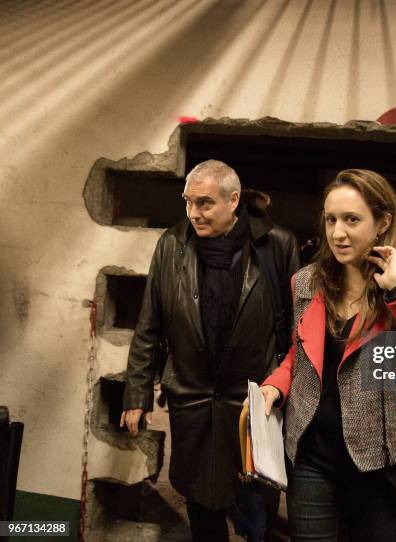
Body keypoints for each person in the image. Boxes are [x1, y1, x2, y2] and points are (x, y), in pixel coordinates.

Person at [258, 169, 396, 541]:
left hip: (384, 461)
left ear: (383, 222)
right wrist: (276, 386)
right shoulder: (306, 282)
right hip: (312, 457)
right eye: (331, 219)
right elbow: (298, 356)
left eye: (352, 220)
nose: (338, 233)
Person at [120, 160, 299, 541]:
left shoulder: (276, 245)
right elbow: (149, 324)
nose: (193, 214)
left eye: (204, 203)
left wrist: (283, 387)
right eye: (188, 202)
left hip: (253, 404)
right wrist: (137, 394)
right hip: (193, 400)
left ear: (233, 201)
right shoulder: (172, 245)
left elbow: (295, 329)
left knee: (257, 512)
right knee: (201, 506)